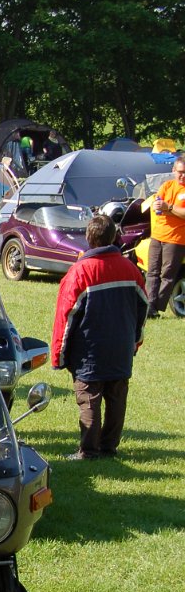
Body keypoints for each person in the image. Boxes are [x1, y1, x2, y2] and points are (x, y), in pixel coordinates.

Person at [51, 214, 147, 460]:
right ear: (114, 237)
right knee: (116, 400)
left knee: (89, 400)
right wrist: (134, 341)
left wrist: (58, 356)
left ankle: (89, 451)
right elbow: (143, 308)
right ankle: (109, 447)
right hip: (121, 349)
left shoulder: (80, 272)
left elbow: (66, 316)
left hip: (89, 352)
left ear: (88, 238)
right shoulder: (131, 269)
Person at [145, 155, 185, 319]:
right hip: (157, 235)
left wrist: (169, 207)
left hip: (176, 238)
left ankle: (155, 308)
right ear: (173, 170)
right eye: (180, 172)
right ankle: (149, 306)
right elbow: (157, 205)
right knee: (152, 272)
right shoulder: (167, 185)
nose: (182, 176)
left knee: (167, 275)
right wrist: (162, 207)